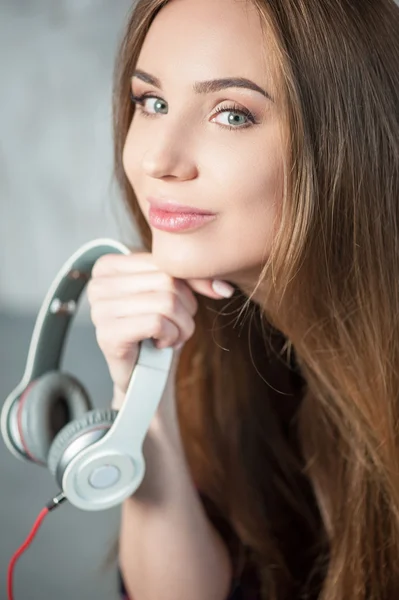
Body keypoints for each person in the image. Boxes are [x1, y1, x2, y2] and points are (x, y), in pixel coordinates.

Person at [85, 0, 399, 598]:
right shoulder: (219, 341)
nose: (157, 160)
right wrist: (140, 399)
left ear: (346, 144)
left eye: (231, 114)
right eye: (151, 102)